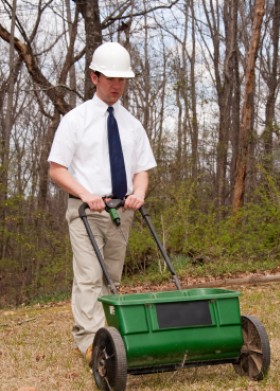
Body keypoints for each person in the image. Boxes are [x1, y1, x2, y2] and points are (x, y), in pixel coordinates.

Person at [48, 42, 157, 364]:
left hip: (122, 212)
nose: (116, 85)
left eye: (122, 79)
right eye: (110, 78)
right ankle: (90, 344)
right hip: (85, 212)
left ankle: (110, 337)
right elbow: (56, 169)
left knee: (112, 279)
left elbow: (142, 171)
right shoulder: (75, 120)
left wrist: (139, 193)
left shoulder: (132, 125)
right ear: (94, 76)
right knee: (88, 276)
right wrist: (86, 195)